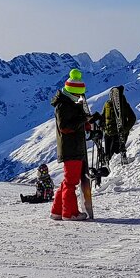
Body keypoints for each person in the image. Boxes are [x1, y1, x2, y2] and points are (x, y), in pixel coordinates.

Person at [50, 69, 90, 221]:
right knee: (71, 182)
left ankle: (57, 211)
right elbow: (65, 127)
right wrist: (83, 120)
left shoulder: (70, 103)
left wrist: (85, 122)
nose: (80, 97)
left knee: (68, 181)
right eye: (78, 95)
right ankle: (70, 213)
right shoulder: (64, 106)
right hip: (70, 147)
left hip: (73, 146)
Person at [101, 85, 137, 163]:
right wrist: (103, 126)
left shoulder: (123, 104)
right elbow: (103, 117)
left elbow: (132, 118)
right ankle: (108, 168)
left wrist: (124, 130)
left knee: (116, 152)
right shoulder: (107, 104)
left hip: (118, 134)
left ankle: (119, 167)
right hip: (108, 134)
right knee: (108, 155)